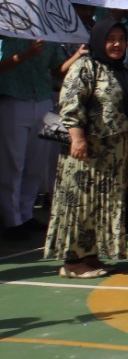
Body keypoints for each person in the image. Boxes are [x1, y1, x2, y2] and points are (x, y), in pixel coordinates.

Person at [45, 18, 128, 277]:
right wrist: (77, 137)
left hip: (113, 153)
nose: (117, 44)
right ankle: (72, 261)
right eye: (111, 39)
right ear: (99, 40)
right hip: (87, 151)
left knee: (101, 204)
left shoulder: (120, 70)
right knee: (81, 203)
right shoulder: (85, 66)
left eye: (121, 39)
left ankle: (90, 255)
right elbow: (70, 103)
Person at [0, 33, 70, 239]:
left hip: (43, 99)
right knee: (13, 163)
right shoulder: (5, 31)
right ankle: (12, 219)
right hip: (13, 99)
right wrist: (24, 55)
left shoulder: (48, 34)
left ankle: (27, 213)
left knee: (37, 163)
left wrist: (78, 56)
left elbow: (58, 70)